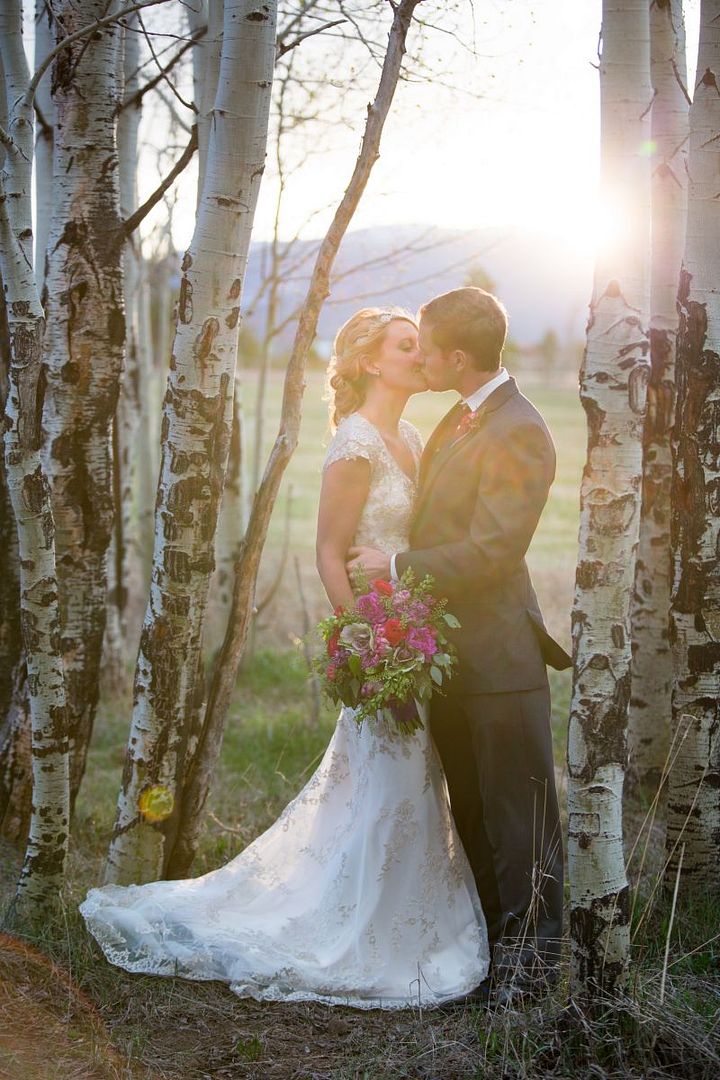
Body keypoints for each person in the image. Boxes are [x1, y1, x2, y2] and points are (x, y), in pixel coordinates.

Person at [80, 307, 490, 1010]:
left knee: (406, 785)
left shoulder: (414, 437)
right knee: (390, 781)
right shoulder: (355, 444)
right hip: (379, 645)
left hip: (414, 637)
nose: (421, 356)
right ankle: (364, 929)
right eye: (406, 345)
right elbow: (329, 554)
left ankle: (410, 919)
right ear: (368, 362)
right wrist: (366, 644)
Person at [348, 287, 571, 1004]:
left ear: (459, 357)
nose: (421, 357)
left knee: (520, 824)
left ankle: (532, 976)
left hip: (502, 663)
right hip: (449, 659)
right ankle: (485, 961)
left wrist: (397, 569)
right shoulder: (460, 416)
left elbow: (494, 550)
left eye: (428, 347)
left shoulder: (520, 429)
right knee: (472, 815)